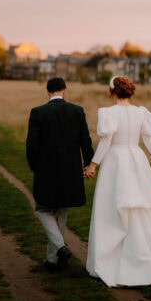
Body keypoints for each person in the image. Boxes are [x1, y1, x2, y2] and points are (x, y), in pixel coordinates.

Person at [84, 75, 151, 287]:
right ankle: (143, 256)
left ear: (112, 92)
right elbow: (148, 139)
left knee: (112, 208)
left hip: (116, 162)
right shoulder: (140, 113)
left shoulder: (107, 113)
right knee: (140, 207)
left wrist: (93, 165)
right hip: (137, 159)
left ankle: (113, 258)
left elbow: (106, 141)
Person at [26, 77, 94, 272]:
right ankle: (53, 260)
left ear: (48, 92)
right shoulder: (77, 111)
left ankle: (60, 250)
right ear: (64, 91)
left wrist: (34, 166)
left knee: (42, 209)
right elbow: (85, 141)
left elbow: (32, 144)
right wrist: (88, 163)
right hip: (70, 169)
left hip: (46, 168)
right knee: (61, 211)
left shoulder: (38, 112)